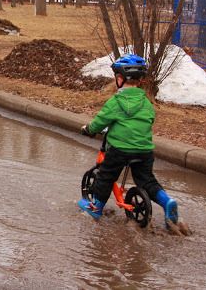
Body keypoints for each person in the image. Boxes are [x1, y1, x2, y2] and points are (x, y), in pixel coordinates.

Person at [78, 54, 186, 233]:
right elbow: (149, 120)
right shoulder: (147, 102)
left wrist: (88, 129)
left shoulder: (116, 101)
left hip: (120, 149)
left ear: (119, 79)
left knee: (106, 175)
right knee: (146, 180)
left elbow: (100, 122)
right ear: (140, 80)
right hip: (144, 150)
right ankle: (167, 202)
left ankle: (95, 208)